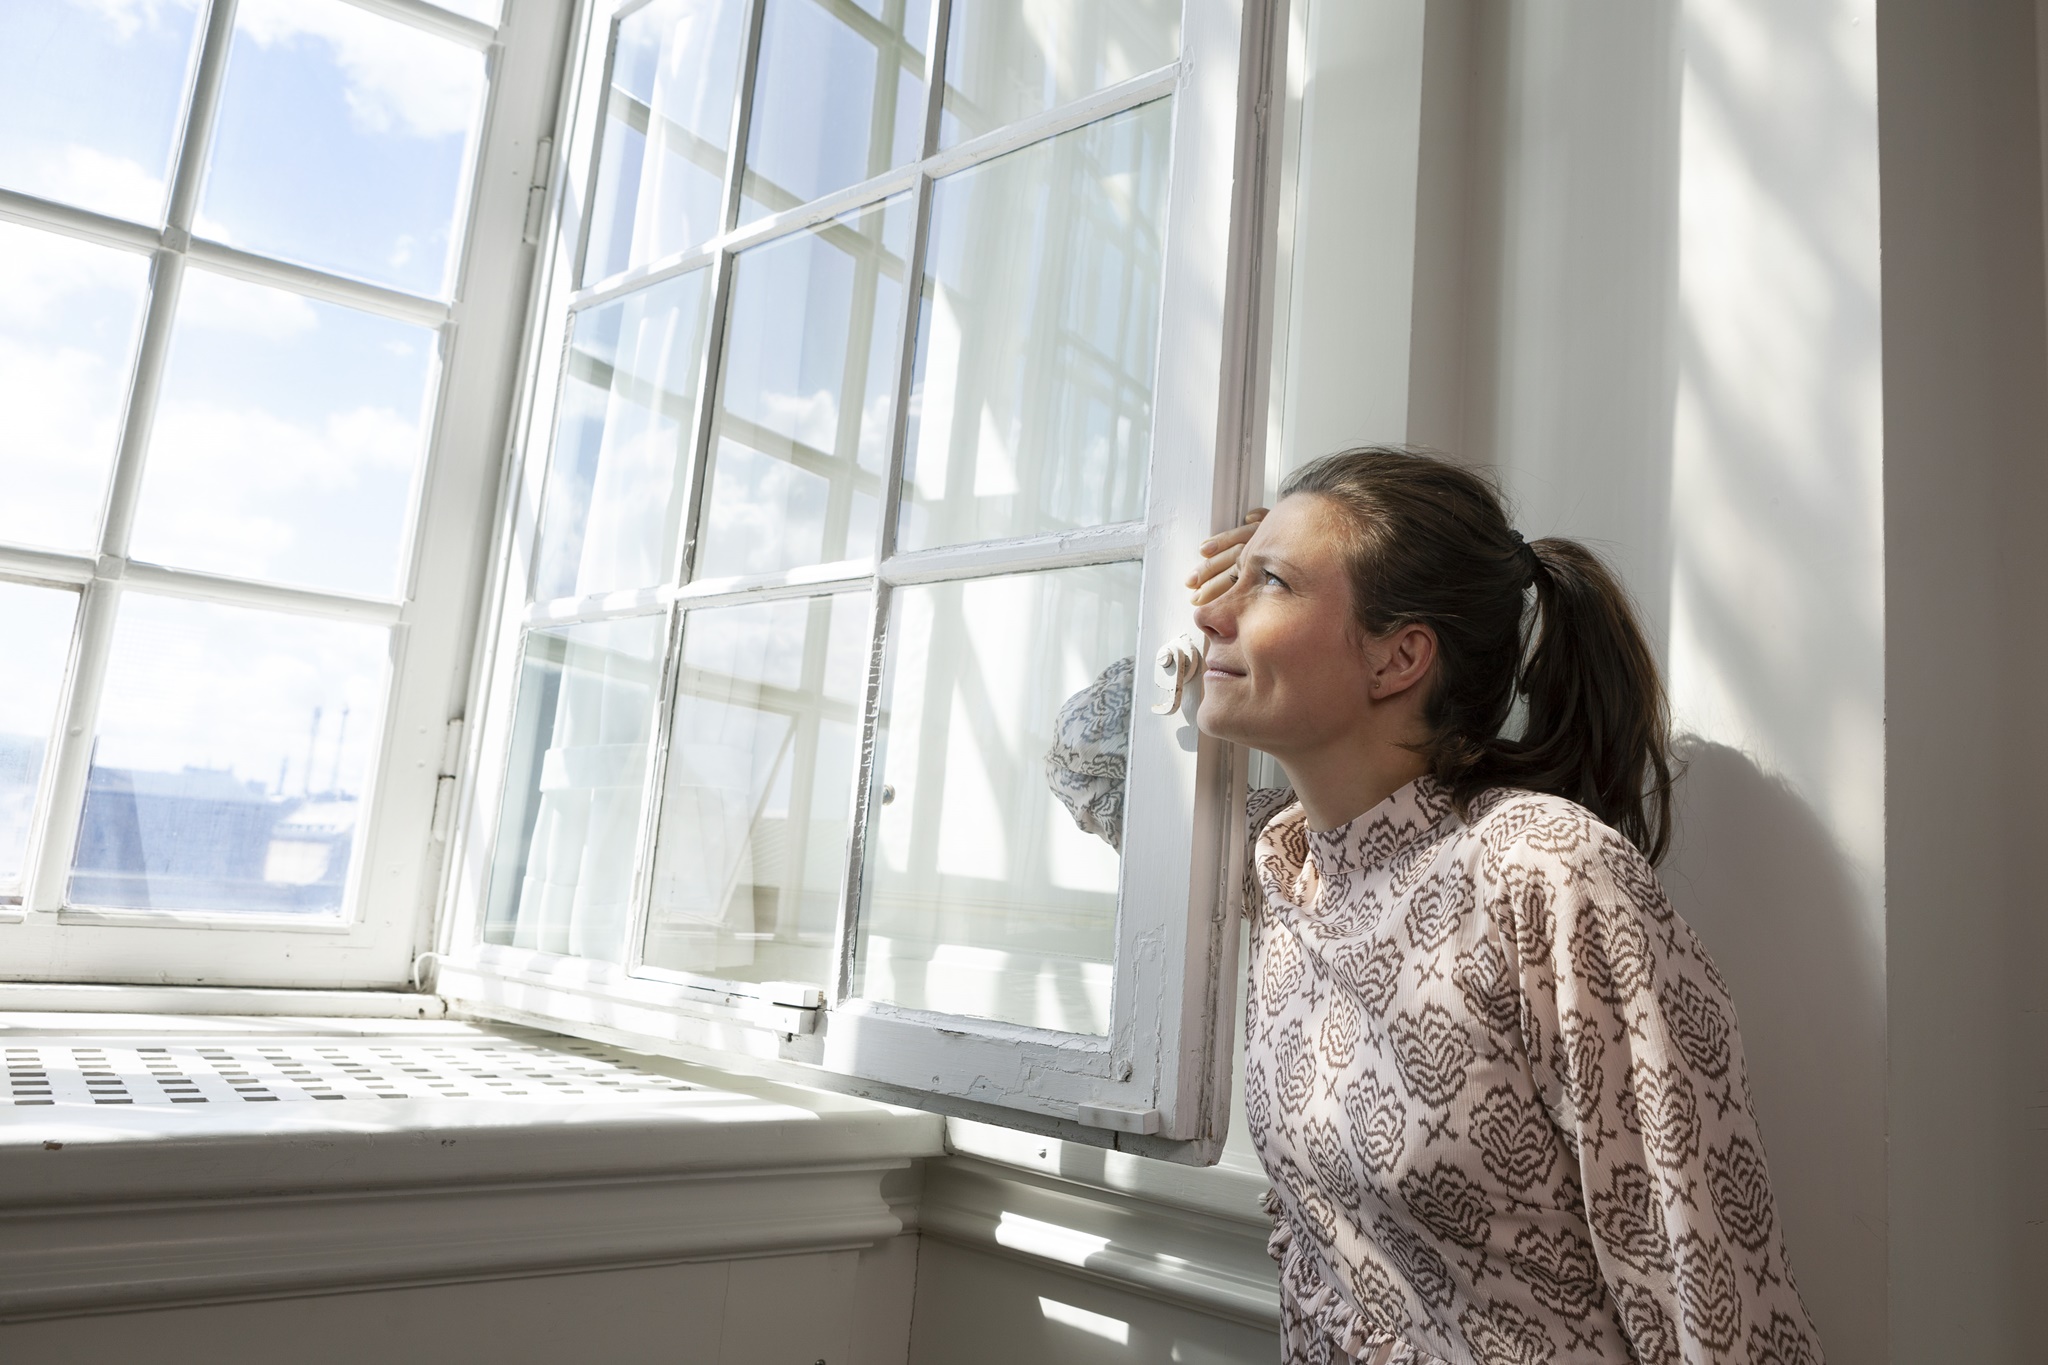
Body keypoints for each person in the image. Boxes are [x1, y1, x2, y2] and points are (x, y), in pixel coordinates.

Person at [1055, 447, 1824, 1364]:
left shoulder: (1544, 872)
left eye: (1268, 585)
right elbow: (1089, 758)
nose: (1213, 614)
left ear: (1400, 656)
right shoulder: (1284, 861)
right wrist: (1245, 570)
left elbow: (1713, 1299)